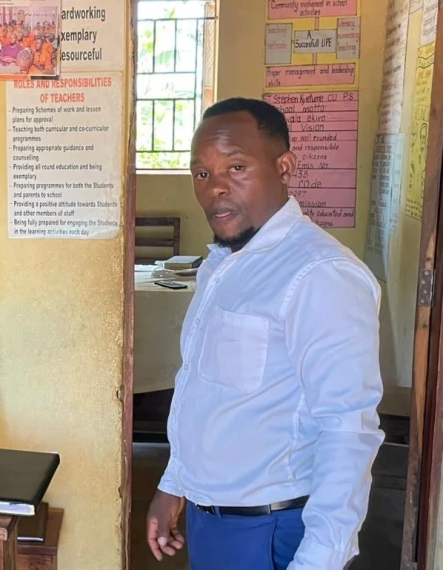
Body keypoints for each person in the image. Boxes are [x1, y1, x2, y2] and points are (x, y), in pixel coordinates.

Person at [146, 98, 383, 570]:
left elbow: (347, 428)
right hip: (212, 519)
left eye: (236, 166)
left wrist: (318, 561)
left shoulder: (320, 274)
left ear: (284, 166)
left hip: (273, 530)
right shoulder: (224, 264)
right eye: (202, 174)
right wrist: (175, 484)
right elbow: (208, 395)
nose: (216, 189)